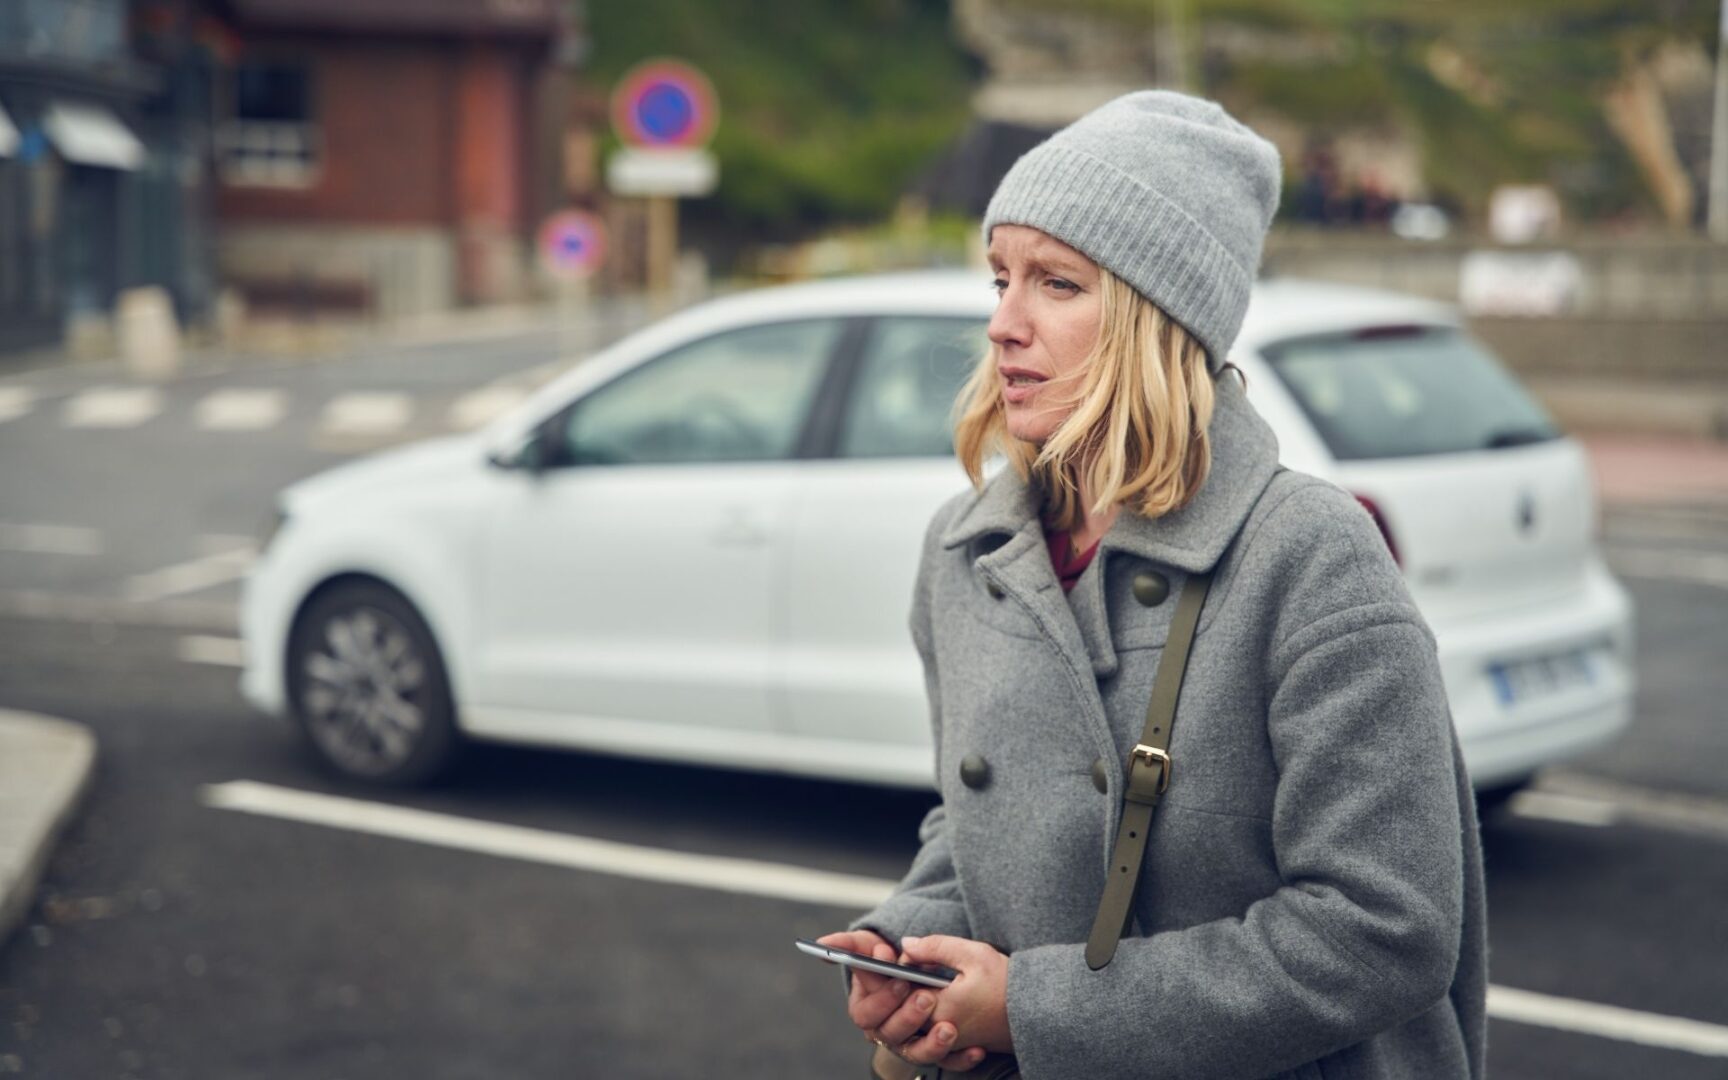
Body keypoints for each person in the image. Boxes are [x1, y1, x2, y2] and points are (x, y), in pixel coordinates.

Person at [816, 90, 1487, 1079]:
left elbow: (1384, 930)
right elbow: (978, 832)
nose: (1003, 323)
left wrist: (1035, 1010)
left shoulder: (1307, 555)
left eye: (1056, 283)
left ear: (1155, 318)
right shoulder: (964, 551)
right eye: (1000, 277)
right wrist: (909, 945)